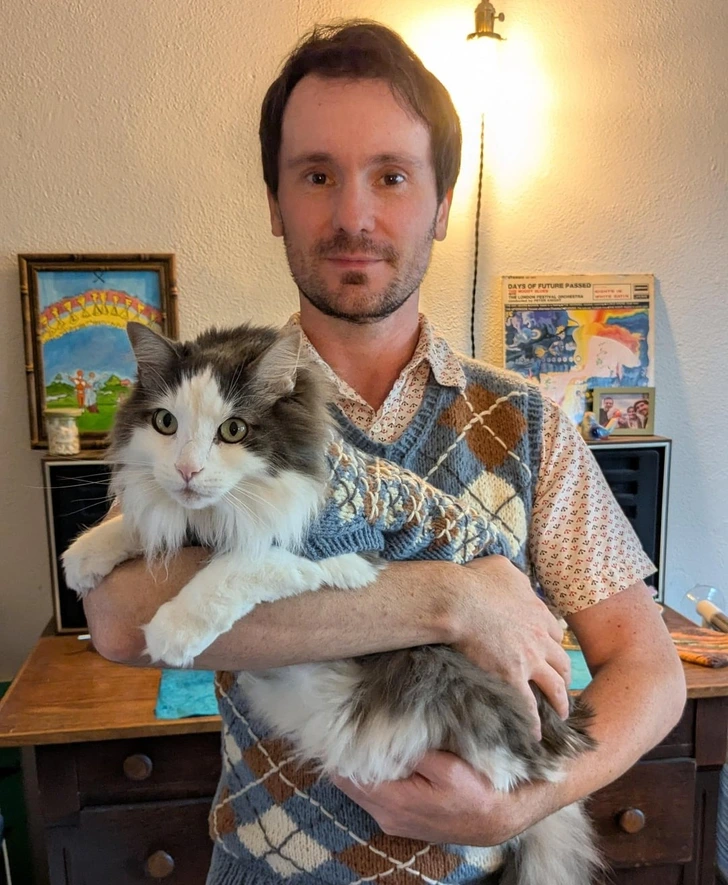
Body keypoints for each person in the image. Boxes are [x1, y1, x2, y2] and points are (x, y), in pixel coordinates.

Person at [84, 21, 685, 884]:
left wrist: (526, 803)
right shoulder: (205, 403)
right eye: (316, 175)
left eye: (392, 176)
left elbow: (651, 668)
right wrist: (454, 599)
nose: (352, 216)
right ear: (274, 202)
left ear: (442, 205)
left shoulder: (530, 423)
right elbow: (121, 616)